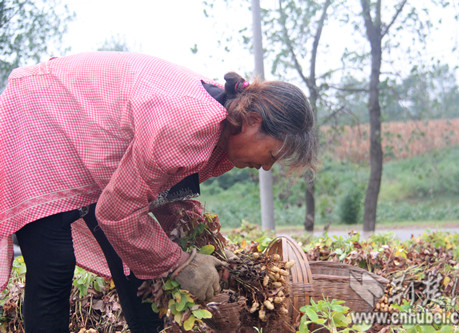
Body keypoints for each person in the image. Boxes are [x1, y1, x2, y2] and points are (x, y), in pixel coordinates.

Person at [0, 51, 317, 333]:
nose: (266, 168)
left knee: (135, 262)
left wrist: (211, 247)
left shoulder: (221, 134)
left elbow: (163, 195)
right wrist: (179, 263)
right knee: (53, 262)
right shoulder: (187, 123)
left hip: (87, 138)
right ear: (252, 121)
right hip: (39, 112)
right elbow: (117, 213)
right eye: (272, 155)